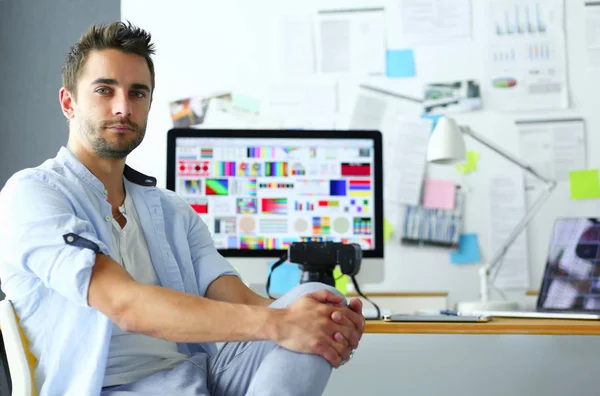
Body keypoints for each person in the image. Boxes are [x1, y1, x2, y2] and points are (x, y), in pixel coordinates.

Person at [0, 22, 364, 396]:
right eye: (105, 90)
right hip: (107, 388)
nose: (123, 107)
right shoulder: (32, 195)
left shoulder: (171, 209)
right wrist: (282, 325)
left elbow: (240, 300)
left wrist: (319, 321)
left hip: (198, 380)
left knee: (318, 299)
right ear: (68, 102)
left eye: (137, 93)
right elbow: (126, 305)